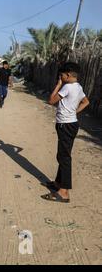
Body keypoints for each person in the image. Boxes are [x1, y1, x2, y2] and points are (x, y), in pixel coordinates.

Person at [41, 62, 90, 203]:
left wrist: (58, 85)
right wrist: (74, 112)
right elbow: (86, 102)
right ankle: (58, 183)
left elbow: (51, 101)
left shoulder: (67, 87)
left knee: (64, 157)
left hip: (65, 125)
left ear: (68, 75)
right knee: (62, 154)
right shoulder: (79, 87)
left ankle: (64, 192)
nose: (60, 77)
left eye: (61, 75)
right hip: (71, 123)